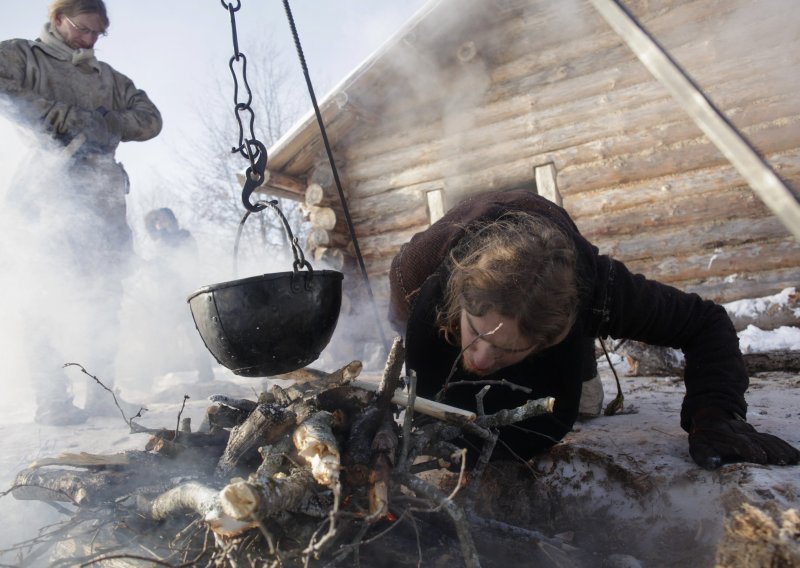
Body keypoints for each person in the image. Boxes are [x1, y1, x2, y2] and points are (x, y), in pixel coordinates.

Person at [389, 189, 799, 470]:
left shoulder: (602, 291)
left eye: (504, 350)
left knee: (585, 408)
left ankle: (540, 358)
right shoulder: (415, 272)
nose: (481, 358)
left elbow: (707, 324)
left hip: (558, 336)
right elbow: (405, 348)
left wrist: (716, 414)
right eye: (478, 334)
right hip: (442, 306)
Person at [0, 0, 163, 425]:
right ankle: (52, 401)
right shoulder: (23, 56)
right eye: (84, 29)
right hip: (47, 190)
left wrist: (109, 123)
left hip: (104, 195)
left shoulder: (107, 78)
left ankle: (101, 395)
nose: (91, 40)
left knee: (107, 295)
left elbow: (150, 118)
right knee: (45, 293)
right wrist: (59, 116)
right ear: (58, 19)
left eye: (98, 33)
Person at [143, 207, 215, 383]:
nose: (160, 224)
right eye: (156, 221)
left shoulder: (184, 237)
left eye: (163, 219)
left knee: (194, 334)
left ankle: (205, 374)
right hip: (166, 296)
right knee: (159, 334)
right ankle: (150, 377)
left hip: (186, 293)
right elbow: (156, 270)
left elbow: (188, 262)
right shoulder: (158, 242)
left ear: (171, 219)